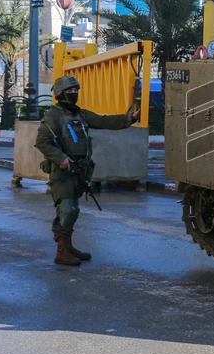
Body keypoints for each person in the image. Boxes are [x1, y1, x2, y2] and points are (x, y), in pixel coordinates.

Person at [35, 76, 139, 266]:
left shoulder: (80, 114)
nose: (74, 94)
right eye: (70, 91)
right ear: (60, 93)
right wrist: (61, 158)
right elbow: (42, 142)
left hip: (79, 170)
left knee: (73, 210)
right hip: (62, 171)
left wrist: (128, 119)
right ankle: (61, 252)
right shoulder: (53, 115)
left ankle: (68, 247)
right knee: (67, 209)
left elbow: (103, 121)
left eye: (76, 90)